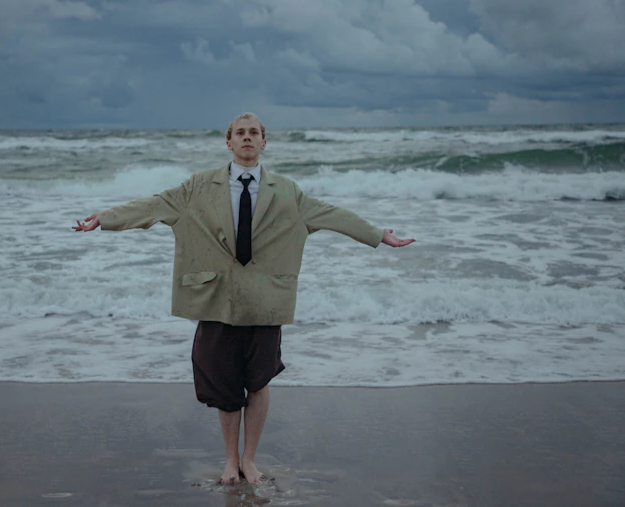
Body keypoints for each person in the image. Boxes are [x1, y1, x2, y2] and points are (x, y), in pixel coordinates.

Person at [73, 113, 415, 485]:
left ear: (264, 142)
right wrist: (105, 219)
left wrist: (378, 234)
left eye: (254, 133)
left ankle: (249, 459)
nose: (247, 138)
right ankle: (229, 460)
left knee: (259, 380)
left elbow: (331, 215)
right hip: (216, 298)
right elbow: (153, 207)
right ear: (229, 142)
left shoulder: (287, 191)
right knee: (223, 383)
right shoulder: (199, 187)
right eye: (241, 133)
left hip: (264, 300)